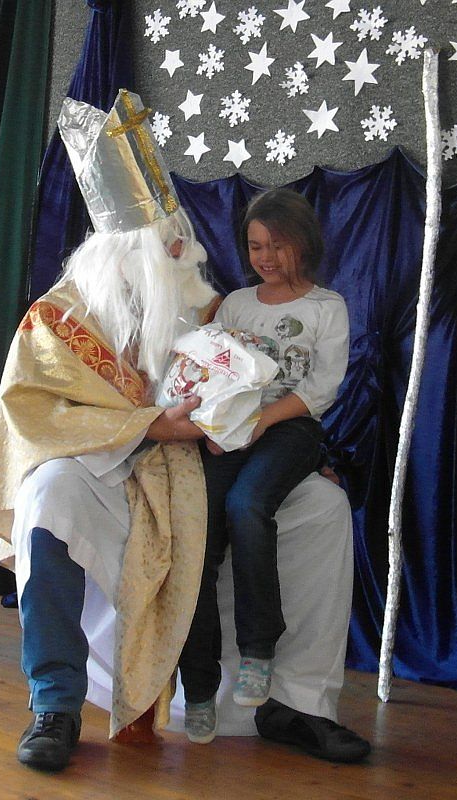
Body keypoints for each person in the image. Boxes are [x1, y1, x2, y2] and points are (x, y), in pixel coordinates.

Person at [0, 88, 219, 771]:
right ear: (128, 253)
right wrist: (149, 425)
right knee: (45, 496)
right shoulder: (58, 320)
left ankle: (196, 693)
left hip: (181, 473)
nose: (183, 250)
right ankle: (54, 703)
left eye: (180, 236)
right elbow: (33, 415)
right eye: (167, 242)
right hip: (98, 469)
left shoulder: (199, 306)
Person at [176, 190, 361, 758]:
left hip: (290, 428)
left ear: (304, 243)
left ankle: (259, 650)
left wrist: (260, 422)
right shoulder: (235, 304)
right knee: (199, 535)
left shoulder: (326, 307)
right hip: (232, 428)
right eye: (256, 246)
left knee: (248, 505)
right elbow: (214, 370)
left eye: (277, 245)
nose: (266, 257)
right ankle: (198, 686)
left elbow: (321, 389)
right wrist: (215, 423)